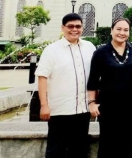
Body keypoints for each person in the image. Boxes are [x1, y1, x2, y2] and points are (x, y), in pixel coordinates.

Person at [35, 13, 96, 158]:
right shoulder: (51, 50)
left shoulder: (89, 47)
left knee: (79, 150)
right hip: (59, 111)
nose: (74, 29)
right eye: (70, 26)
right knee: (56, 151)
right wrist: (44, 105)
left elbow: (96, 76)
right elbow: (42, 77)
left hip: (82, 110)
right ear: (63, 28)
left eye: (78, 26)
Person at [87, 18, 132, 158]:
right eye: (118, 29)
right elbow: (93, 79)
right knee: (108, 142)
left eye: (125, 30)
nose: (122, 33)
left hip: (129, 104)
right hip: (108, 105)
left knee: (126, 141)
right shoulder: (101, 52)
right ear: (111, 30)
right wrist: (92, 102)